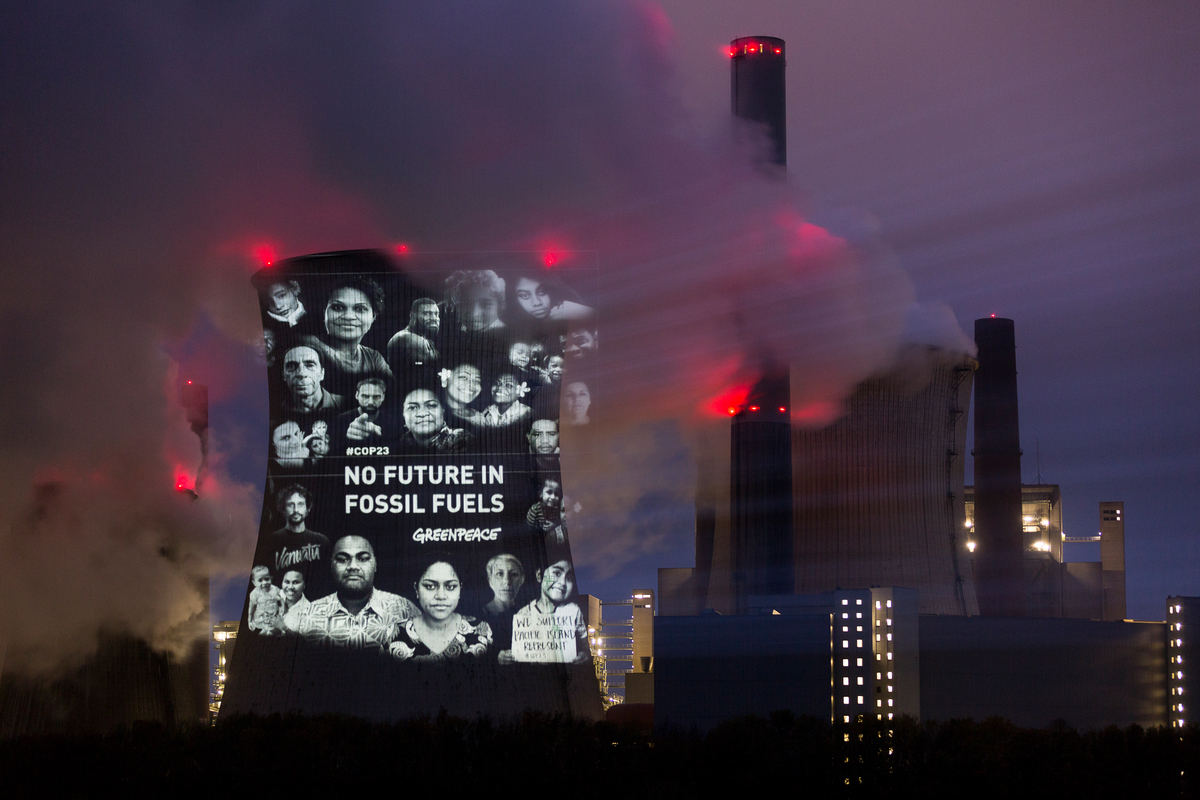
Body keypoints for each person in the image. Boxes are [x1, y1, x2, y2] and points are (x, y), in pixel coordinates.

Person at [293, 535, 418, 651]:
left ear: (375, 564)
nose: (353, 566)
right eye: (342, 559)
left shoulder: (404, 610)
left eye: (363, 559)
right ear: (331, 565)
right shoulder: (306, 617)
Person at [389, 555, 493, 662]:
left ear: (460, 590)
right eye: (430, 586)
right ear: (416, 590)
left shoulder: (481, 631)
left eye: (450, 587)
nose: (441, 596)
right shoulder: (394, 634)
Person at [302, 276, 393, 396]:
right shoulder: (305, 348)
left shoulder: (373, 358)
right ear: (325, 312)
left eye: (360, 309)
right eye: (338, 308)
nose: (348, 316)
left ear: (373, 317)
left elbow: (395, 393)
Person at [499, 558, 589, 664]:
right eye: (556, 573)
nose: (563, 583)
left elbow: (585, 645)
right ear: (539, 575)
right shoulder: (523, 614)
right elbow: (515, 651)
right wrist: (503, 657)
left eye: (569, 578)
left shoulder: (573, 611)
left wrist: (586, 654)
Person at [259, 484, 330, 586]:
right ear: (282, 509)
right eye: (290, 505)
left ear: (308, 509)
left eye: (300, 504)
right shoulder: (270, 541)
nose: (296, 510)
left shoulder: (321, 541)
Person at [280, 345, 345, 418]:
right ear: (284, 375)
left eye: (310, 365)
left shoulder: (346, 405)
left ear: (322, 373)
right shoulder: (276, 413)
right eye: (291, 367)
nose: (302, 374)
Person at [399, 388, 468, 453]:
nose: (422, 413)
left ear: (443, 410)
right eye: (412, 407)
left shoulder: (460, 439)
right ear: (403, 415)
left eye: (431, 405)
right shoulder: (399, 443)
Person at [509, 272, 593, 322]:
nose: (537, 303)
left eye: (542, 291)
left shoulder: (571, 308)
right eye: (525, 295)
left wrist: (583, 312)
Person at [336, 378, 394, 448]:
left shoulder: (392, 421)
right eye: (365, 396)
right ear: (357, 395)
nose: (370, 402)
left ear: (383, 397)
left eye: (376, 397)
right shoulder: (341, 420)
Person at [386, 297, 440, 369]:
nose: (434, 318)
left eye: (436, 314)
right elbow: (435, 368)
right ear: (412, 316)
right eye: (427, 313)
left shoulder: (427, 341)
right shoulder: (406, 338)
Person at [441, 363, 485, 427]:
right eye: (464, 377)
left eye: (477, 381)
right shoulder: (436, 417)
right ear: (445, 380)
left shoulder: (483, 415)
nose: (471, 386)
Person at [527, 476, 567, 545]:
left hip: (553, 539)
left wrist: (554, 525)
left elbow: (560, 523)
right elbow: (529, 528)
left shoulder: (557, 509)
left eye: (556, 494)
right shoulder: (534, 510)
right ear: (541, 494)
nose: (553, 497)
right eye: (549, 492)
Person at [247, 566, 285, 636]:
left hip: (274, 616)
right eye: (260, 580)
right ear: (254, 582)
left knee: (275, 629)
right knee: (265, 633)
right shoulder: (255, 593)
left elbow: (281, 600)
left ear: (271, 578)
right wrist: (249, 621)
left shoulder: (275, 589)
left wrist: (282, 609)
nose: (264, 582)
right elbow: (251, 607)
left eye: (267, 579)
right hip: (261, 618)